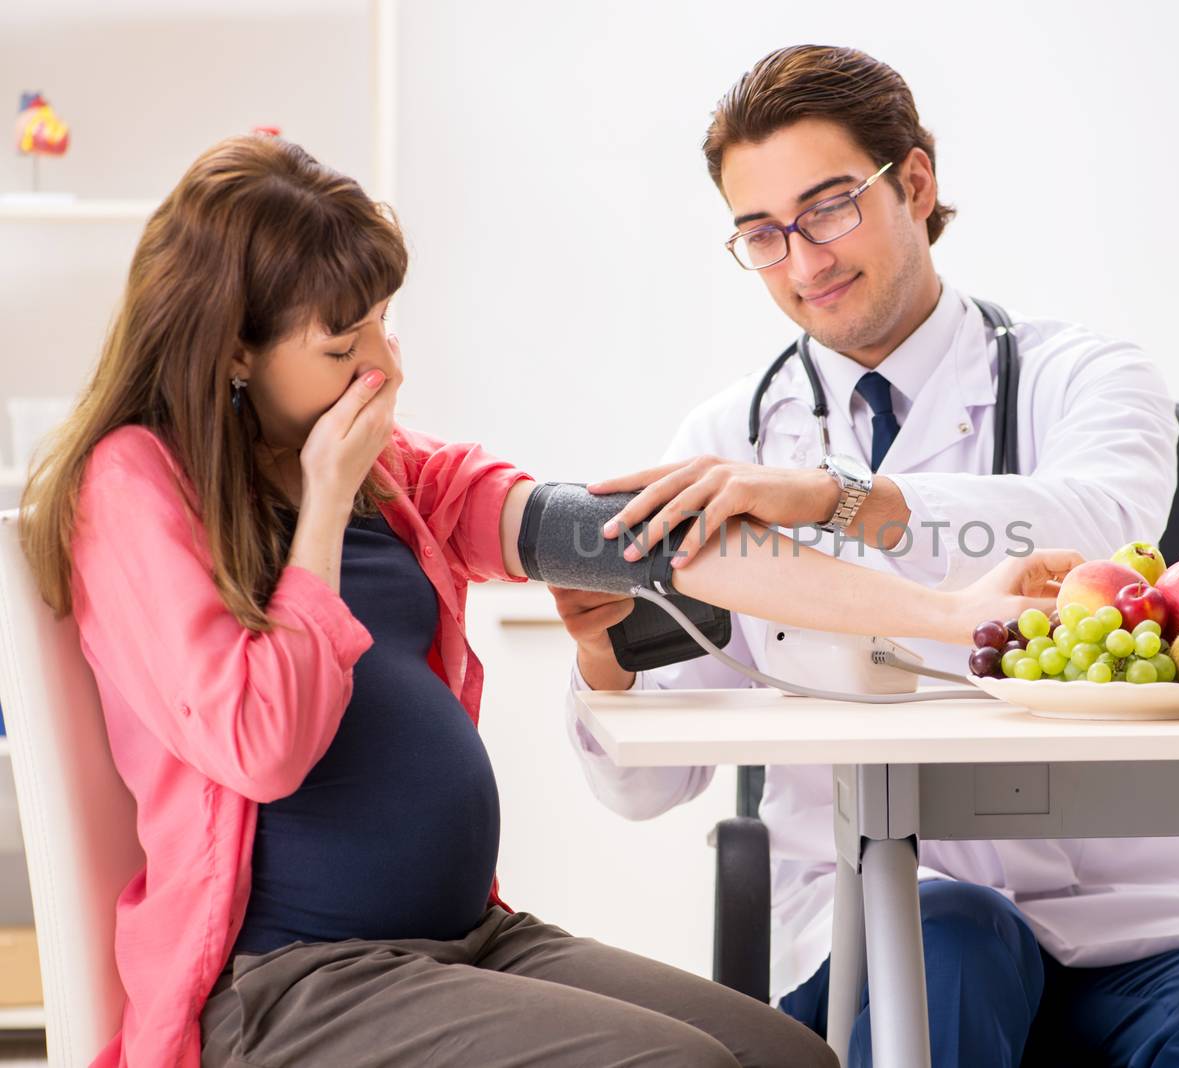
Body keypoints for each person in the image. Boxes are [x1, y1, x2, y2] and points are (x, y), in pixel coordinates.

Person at [18, 133, 1069, 1068]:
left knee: (785, 1055)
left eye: (383, 327)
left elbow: (653, 549)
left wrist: (955, 615)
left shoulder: (396, 471)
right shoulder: (138, 484)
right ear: (232, 350)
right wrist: (327, 507)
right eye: (343, 347)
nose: (382, 369)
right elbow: (264, 744)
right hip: (293, 985)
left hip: (465, 939)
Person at [559, 45, 1179, 1068]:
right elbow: (647, 784)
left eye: (828, 208)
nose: (803, 262)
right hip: (888, 910)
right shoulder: (726, 437)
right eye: (762, 232)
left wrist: (832, 500)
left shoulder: (1083, 375)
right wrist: (606, 656)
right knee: (950, 946)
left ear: (914, 184)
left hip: (1145, 914)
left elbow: (1099, 531)